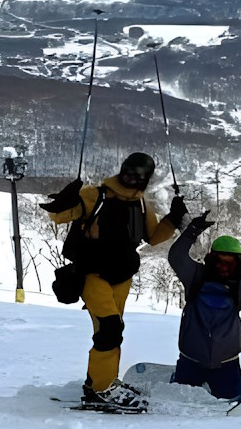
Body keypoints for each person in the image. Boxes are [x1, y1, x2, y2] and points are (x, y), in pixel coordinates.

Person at [42, 152, 187, 412]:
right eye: (129, 174)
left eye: (140, 177)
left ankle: (99, 382)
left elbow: (153, 237)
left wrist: (173, 218)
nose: (133, 180)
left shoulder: (142, 205)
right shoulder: (93, 196)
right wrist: (66, 200)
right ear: (121, 171)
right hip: (92, 274)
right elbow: (60, 216)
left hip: (122, 277)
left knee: (111, 331)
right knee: (109, 329)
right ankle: (101, 390)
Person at [167, 210, 241, 400]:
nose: (224, 268)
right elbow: (176, 257)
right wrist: (193, 230)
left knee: (227, 404)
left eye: (230, 264)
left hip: (227, 362)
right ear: (211, 259)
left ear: (238, 263)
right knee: (183, 402)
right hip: (191, 359)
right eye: (219, 262)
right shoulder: (195, 275)